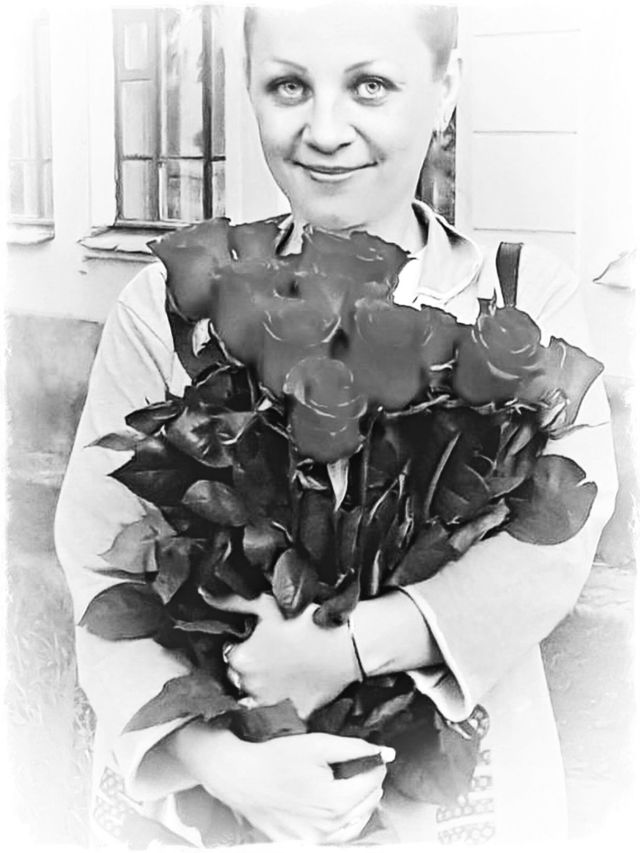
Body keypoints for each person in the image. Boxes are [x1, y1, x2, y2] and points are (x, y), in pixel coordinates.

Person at [54, 1, 617, 847]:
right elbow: (100, 552)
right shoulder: (170, 309)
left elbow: (548, 551)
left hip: (450, 798)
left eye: (371, 85)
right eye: (288, 85)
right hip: (226, 790)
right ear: (248, 86)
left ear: (446, 88)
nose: (323, 130)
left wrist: (348, 650)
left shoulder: (523, 299)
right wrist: (219, 761)